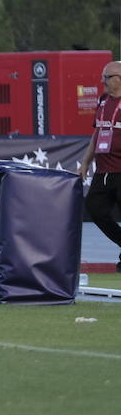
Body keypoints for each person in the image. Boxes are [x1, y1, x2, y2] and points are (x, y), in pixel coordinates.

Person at [78, 60, 121, 267]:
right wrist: (86, 162)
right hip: (103, 170)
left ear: (119, 79)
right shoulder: (103, 100)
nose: (102, 81)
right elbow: (97, 132)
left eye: (106, 77)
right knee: (95, 209)